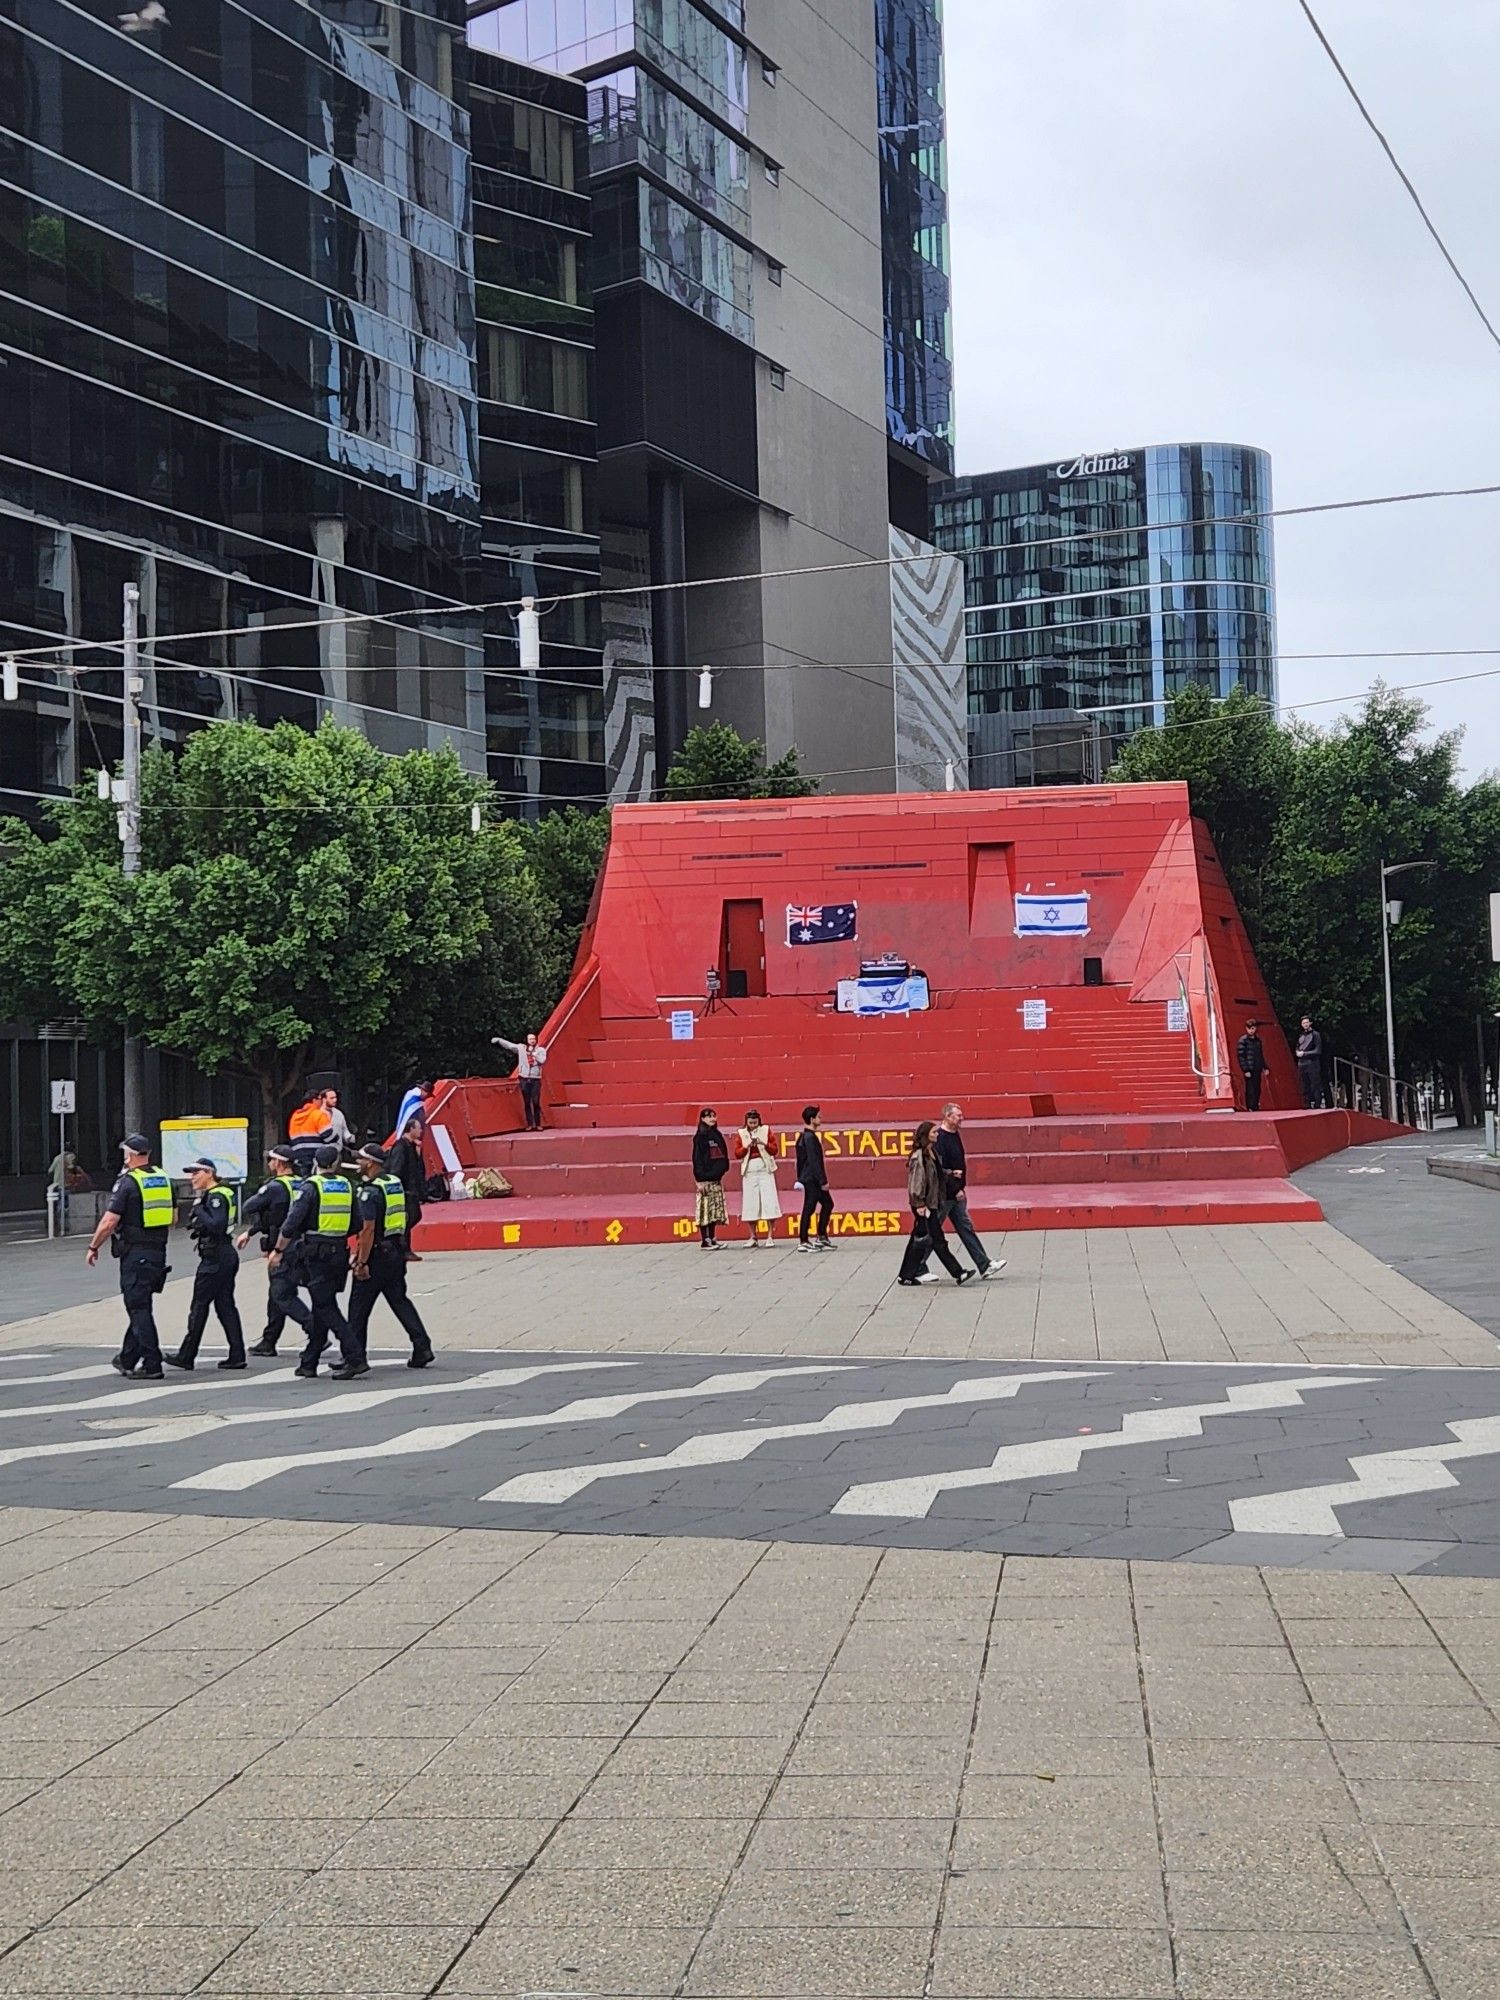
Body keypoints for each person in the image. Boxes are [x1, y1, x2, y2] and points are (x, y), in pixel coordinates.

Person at [269, 1143, 363, 1379]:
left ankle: (355, 1357)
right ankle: (309, 1362)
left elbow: (292, 1222)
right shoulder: (346, 1185)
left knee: (326, 1307)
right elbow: (358, 1223)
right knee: (324, 1303)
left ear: (315, 1164)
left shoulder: (311, 1187)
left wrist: (278, 1250)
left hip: (316, 1253)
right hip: (339, 1251)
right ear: (336, 1164)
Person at [85, 1134, 172, 1380]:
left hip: (135, 1253)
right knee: (142, 1304)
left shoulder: (128, 1182)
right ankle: (127, 1357)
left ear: (130, 1155)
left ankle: (152, 1363)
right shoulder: (164, 1179)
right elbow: (173, 1218)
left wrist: (94, 1246)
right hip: (158, 1252)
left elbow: (110, 1220)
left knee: (138, 1307)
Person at [347, 1144, 433, 1368]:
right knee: (399, 1301)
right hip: (395, 1251)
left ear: (371, 1163)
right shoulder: (393, 1184)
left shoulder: (370, 1191)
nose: (358, 1163)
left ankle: (355, 1358)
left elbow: (368, 1229)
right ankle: (422, 1346)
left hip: (376, 1256)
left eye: (361, 1160)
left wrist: (361, 1262)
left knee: (358, 1309)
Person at [165, 1159, 246, 1371]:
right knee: (225, 1306)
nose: (192, 1177)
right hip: (224, 1254)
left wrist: (199, 1210)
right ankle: (237, 1354)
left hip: (215, 1257)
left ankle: (186, 1355)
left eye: (196, 1173)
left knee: (199, 1307)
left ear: (209, 1173)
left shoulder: (216, 1196)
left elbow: (216, 1225)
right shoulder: (222, 1193)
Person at [237, 1144, 314, 1357]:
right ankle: (269, 1340)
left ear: (279, 1163)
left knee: (282, 1294)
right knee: (276, 1294)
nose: (269, 1164)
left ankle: (315, 1331)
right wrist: (252, 1232)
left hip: (282, 1247)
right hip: (301, 1243)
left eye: (271, 1160)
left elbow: (249, 1207)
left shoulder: (274, 1187)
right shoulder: (302, 1184)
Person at [930, 1103, 1004, 1279]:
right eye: (958, 1115)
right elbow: (941, 1169)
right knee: (932, 1231)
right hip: (947, 1195)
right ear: (948, 1117)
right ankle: (917, 1267)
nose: (962, 1118)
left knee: (965, 1228)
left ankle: (984, 1265)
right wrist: (955, 1189)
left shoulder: (955, 1135)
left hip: (956, 1193)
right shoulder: (940, 1139)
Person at [897, 1120, 972, 1287]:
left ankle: (906, 1275)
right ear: (926, 1136)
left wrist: (951, 1173)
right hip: (924, 1205)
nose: (937, 1134)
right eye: (934, 1133)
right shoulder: (919, 1157)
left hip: (931, 1203)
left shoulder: (932, 1153)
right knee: (937, 1240)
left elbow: (937, 1173)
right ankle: (958, 1273)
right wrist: (919, 1204)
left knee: (919, 1240)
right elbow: (917, 1183)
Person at [736, 1110, 782, 1248]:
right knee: (751, 1203)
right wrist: (746, 1147)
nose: (753, 1126)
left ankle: (770, 1236)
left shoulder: (766, 1130)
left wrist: (764, 1143)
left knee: (769, 1201)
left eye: (755, 1123)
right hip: (749, 1169)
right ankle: (753, 1236)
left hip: (764, 1168)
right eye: (750, 1123)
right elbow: (737, 1153)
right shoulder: (741, 1133)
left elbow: (775, 1150)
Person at [385, 1115, 427, 1261]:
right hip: (404, 1190)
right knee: (409, 1217)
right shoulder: (400, 1146)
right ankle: (403, 1248)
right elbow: (396, 1169)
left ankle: (404, 1247)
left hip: (412, 1189)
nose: (421, 1130)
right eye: (418, 1128)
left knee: (414, 1216)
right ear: (411, 1129)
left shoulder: (412, 1146)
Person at [795, 1105, 834, 1252]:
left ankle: (821, 1236)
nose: (820, 1119)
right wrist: (822, 1180)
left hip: (810, 1177)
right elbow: (813, 1160)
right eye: (819, 1117)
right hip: (812, 1179)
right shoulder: (809, 1138)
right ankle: (803, 1240)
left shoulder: (804, 1137)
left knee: (828, 1204)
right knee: (809, 1208)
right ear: (812, 1119)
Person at [490, 1032, 548, 1130]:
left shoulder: (540, 1050)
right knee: (526, 1101)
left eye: (533, 1039)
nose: (532, 1041)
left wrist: (534, 1055)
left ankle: (538, 1124)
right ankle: (530, 1124)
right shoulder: (522, 1048)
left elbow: (542, 1060)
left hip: (535, 1078)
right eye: (530, 1039)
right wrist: (499, 1040)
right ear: (527, 1040)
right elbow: (509, 1046)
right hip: (524, 1078)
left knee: (536, 1101)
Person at [692, 1108, 731, 1249]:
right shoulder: (700, 1137)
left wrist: (724, 1168)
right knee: (705, 1211)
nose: (712, 1119)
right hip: (705, 1181)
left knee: (715, 1210)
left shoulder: (717, 1135)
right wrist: (699, 1179)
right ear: (702, 1119)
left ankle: (713, 1237)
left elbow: (724, 1154)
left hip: (716, 1179)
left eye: (714, 1116)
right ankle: (705, 1240)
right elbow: (697, 1159)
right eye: (709, 1116)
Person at [1236, 1019, 1267, 1112]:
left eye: (1253, 1028)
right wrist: (1245, 1070)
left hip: (1257, 1067)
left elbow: (1260, 1055)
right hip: (1249, 1069)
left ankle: (1255, 1105)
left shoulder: (1258, 1041)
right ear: (1246, 1029)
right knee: (1250, 1089)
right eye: (1249, 1028)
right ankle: (1250, 1107)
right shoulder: (1243, 1040)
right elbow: (1241, 1056)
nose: (1251, 1030)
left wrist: (1265, 1067)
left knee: (1257, 1088)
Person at [1296, 1017, 1325, 1109]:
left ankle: (1317, 1105)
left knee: (1315, 1084)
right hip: (1302, 1063)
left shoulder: (1316, 1035)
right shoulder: (1301, 1036)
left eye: (1307, 1022)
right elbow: (1297, 1047)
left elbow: (1318, 1050)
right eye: (1303, 1023)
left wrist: (1304, 1053)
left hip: (1312, 1063)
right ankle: (1306, 1104)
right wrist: (1298, 1053)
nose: (1305, 1024)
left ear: (1310, 1023)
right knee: (1304, 1085)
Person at [319, 1087, 354, 1153]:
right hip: (321, 1152)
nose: (335, 1100)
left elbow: (345, 1131)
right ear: (324, 1099)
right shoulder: (317, 1114)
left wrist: (350, 1138)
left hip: (337, 1151)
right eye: (331, 1098)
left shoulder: (339, 1113)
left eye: (335, 1097)